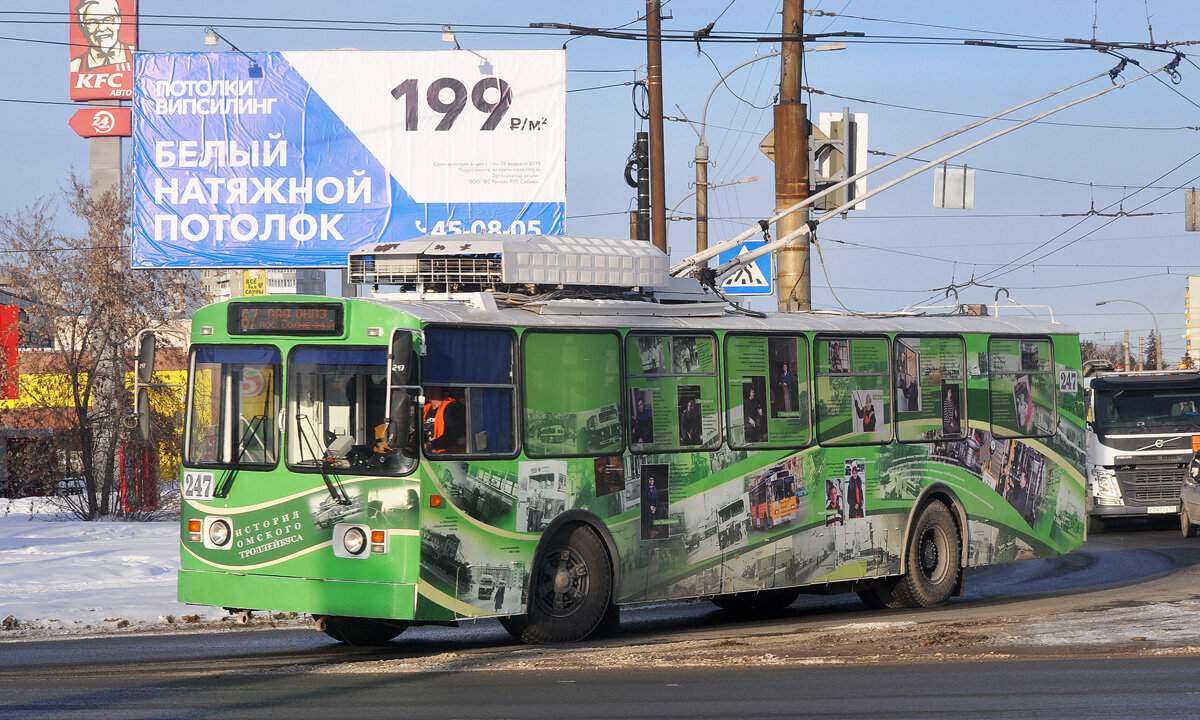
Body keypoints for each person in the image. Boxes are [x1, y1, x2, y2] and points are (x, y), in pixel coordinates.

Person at [70, 0, 134, 72]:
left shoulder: (137, 58)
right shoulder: (74, 67)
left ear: (119, 21)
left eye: (108, 20)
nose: (101, 28)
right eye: (92, 22)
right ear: (83, 26)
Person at [423, 386, 466, 454]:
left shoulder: (453, 407)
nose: (426, 389)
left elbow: (453, 435)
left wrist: (431, 445)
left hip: (451, 456)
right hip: (430, 454)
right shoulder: (425, 409)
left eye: (432, 387)